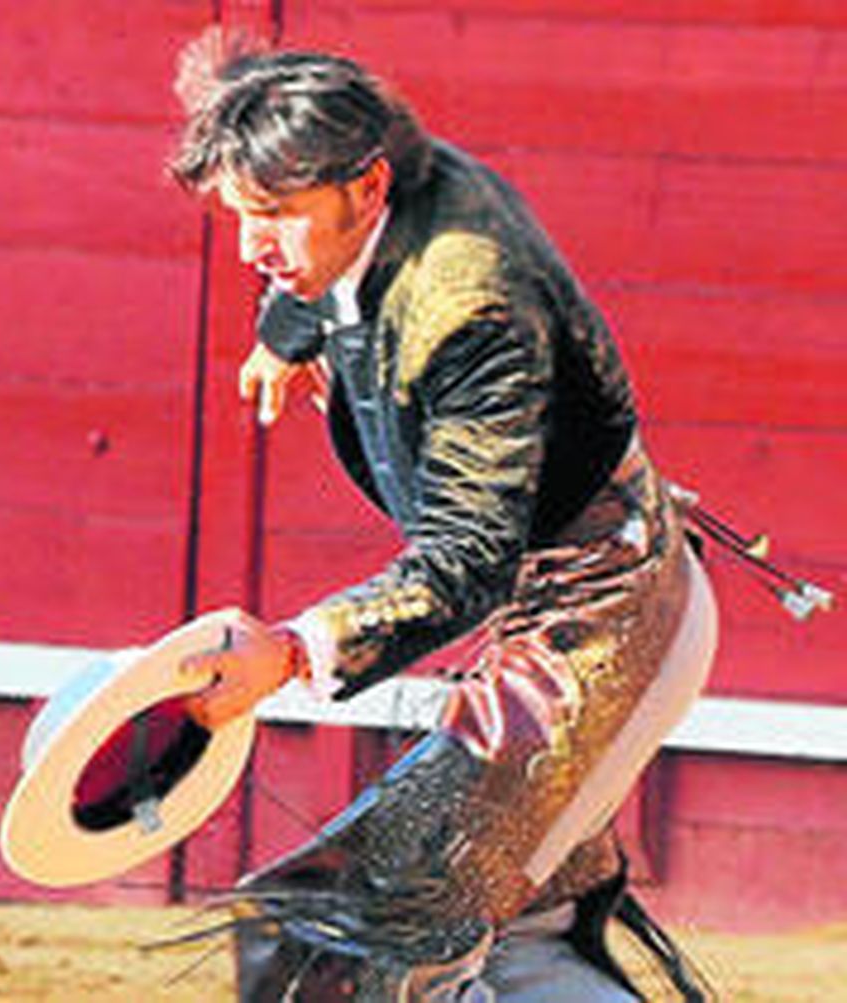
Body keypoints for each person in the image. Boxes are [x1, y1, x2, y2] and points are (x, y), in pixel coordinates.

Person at [166, 32, 720, 1001]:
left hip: (602, 629)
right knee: (481, 940)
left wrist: (294, 650)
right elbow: (310, 261)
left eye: (274, 216)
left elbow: (465, 558)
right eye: (238, 215)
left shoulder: (471, 309)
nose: (253, 246)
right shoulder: (384, 182)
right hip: (564, 618)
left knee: (353, 944)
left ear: (367, 189)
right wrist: (285, 332)